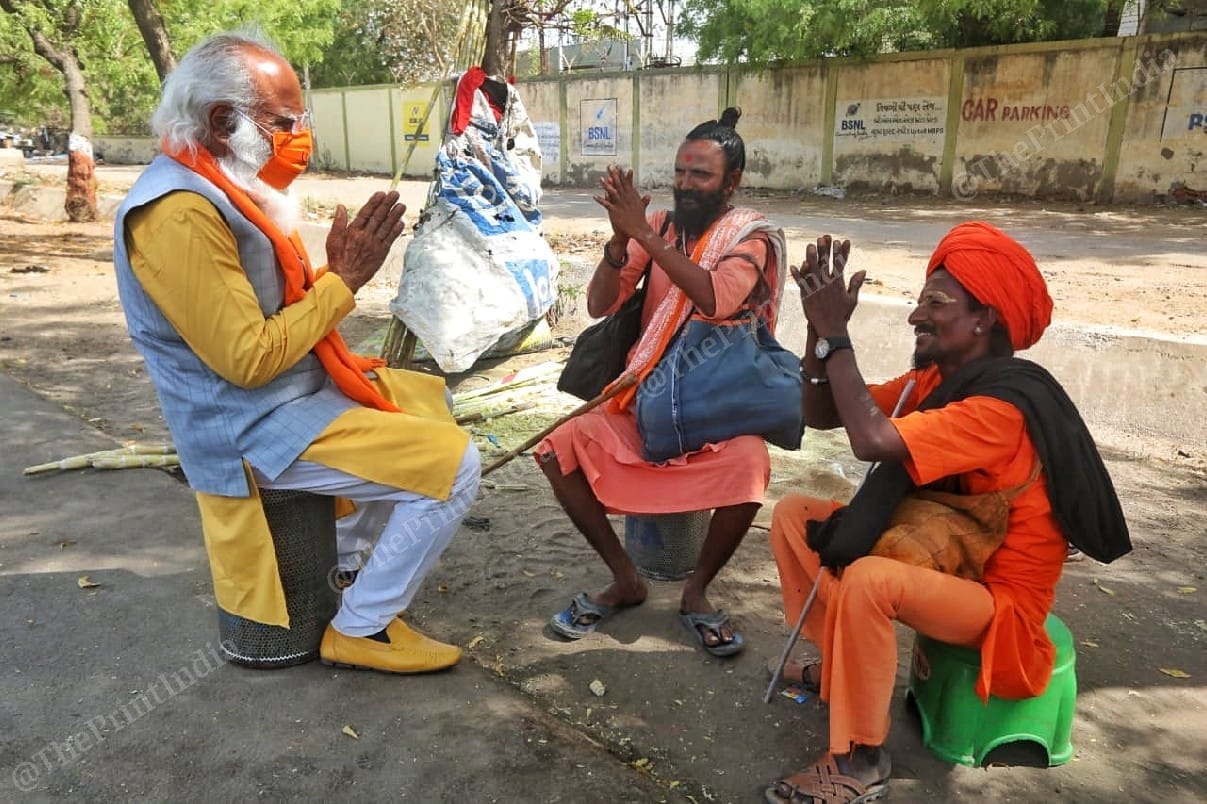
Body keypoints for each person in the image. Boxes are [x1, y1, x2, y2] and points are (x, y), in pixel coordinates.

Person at [112, 31, 480, 675]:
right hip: (246, 427)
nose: (300, 136)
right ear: (223, 121)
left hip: (287, 398)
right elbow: (247, 359)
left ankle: (340, 567)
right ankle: (362, 627)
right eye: (284, 122)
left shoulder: (223, 183)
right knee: (456, 467)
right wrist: (343, 281)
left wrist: (329, 274)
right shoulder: (176, 211)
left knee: (425, 396)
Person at [762, 223, 1130, 803]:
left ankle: (859, 759)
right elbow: (824, 413)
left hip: (998, 600)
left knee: (868, 579)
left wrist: (839, 335)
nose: (916, 316)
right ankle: (838, 672)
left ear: (984, 318)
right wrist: (817, 333)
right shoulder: (935, 379)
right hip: (946, 551)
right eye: (919, 300)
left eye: (936, 303)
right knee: (793, 515)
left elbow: (872, 440)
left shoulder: (999, 408)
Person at [537, 108, 788, 657]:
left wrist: (644, 236)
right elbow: (600, 304)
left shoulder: (749, 237)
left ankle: (696, 591)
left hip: (713, 407)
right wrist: (616, 243)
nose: (685, 184)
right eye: (680, 172)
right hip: (642, 398)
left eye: (700, 175)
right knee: (556, 450)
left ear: (732, 182)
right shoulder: (664, 230)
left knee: (751, 466)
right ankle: (626, 580)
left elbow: (716, 297)